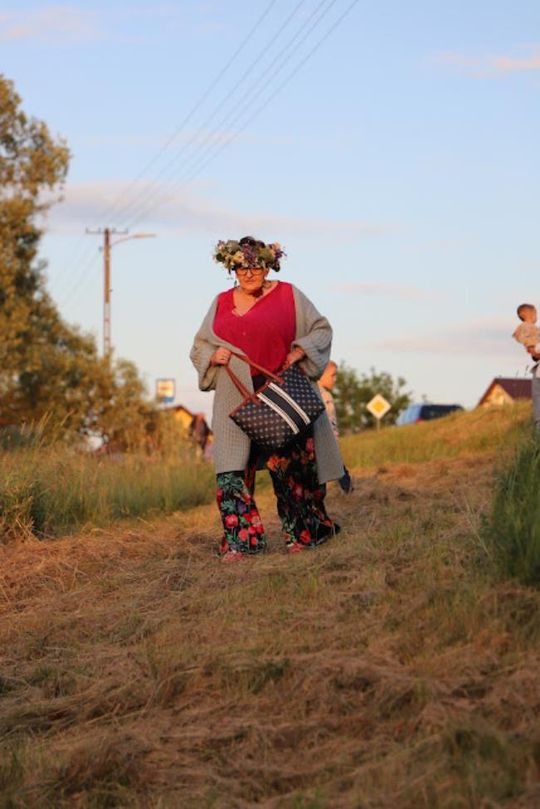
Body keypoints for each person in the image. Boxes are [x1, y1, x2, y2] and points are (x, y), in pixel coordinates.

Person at [190, 236, 344, 562]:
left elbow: (321, 330)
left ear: (268, 264)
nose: (249, 273)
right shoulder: (219, 302)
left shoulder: (290, 295)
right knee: (232, 473)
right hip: (235, 399)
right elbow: (199, 345)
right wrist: (212, 354)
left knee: (290, 469)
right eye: (241, 267)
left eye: (255, 266)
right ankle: (242, 542)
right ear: (231, 267)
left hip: (282, 395)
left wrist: (300, 350)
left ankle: (304, 533)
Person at [318, 361, 353, 494]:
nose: (335, 379)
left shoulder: (310, 391)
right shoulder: (325, 396)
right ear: (320, 374)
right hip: (327, 441)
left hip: (319, 442)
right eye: (333, 375)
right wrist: (334, 441)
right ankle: (349, 492)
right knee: (339, 469)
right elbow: (330, 421)